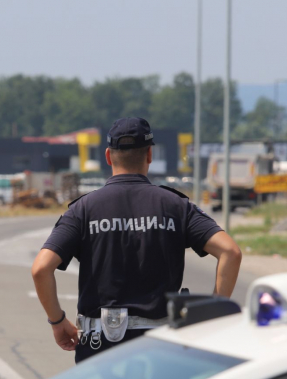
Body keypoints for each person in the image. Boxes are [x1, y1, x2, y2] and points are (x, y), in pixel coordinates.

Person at [31, 117, 242, 364]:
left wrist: (57, 322)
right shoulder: (175, 206)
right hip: (163, 348)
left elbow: (41, 269)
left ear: (108, 157)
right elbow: (230, 252)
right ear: (149, 155)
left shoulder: (84, 210)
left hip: (100, 348)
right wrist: (210, 315)